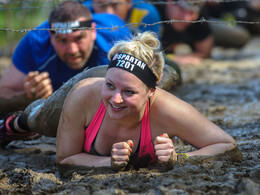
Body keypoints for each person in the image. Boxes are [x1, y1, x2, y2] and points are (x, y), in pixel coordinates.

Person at [0, 32, 241, 169]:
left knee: (172, 73)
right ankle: (13, 124)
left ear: (151, 93)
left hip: (138, 79)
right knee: (40, 119)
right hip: (88, 84)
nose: (115, 99)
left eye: (128, 92)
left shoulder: (169, 109)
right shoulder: (84, 95)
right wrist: (108, 162)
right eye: (111, 86)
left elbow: (227, 145)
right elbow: (63, 158)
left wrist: (181, 158)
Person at [0, 0, 131, 115]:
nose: (72, 50)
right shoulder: (35, 43)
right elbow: (3, 94)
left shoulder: (116, 37)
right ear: (50, 37)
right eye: (62, 41)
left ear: (93, 31)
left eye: (79, 38)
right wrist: (28, 97)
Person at [156, 0, 250, 66]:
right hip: (163, 35)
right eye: (182, 9)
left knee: (241, 37)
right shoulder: (152, 12)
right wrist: (171, 59)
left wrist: (176, 57)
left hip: (197, 29)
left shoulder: (198, 17)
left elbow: (204, 53)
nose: (186, 18)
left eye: (192, 12)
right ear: (169, 1)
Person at [82, 0, 161, 36]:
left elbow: (151, 51)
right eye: (101, 5)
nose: (109, 13)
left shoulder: (145, 13)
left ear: (129, 2)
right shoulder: (84, 13)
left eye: (115, 5)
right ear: (92, 3)